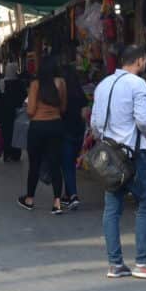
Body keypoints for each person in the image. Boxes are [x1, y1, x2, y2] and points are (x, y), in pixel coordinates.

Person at [90, 45, 146, 280]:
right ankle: (144, 262)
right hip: (133, 154)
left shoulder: (103, 85)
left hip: (109, 157)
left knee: (112, 208)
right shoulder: (137, 84)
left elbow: (95, 124)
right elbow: (143, 122)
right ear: (140, 61)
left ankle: (115, 264)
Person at [17, 56, 67, 214]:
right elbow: (63, 108)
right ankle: (57, 203)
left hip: (37, 127)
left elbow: (30, 110)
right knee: (55, 165)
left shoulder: (35, 85)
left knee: (34, 165)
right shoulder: (61, 83)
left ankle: (29, 199)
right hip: (56, 125)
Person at [60, 67, 88, 210]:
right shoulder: (80, 94)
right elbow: (84, 115)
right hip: (78, 133)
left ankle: (73, 196)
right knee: (70, 164)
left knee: (67, 165)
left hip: (65, 132)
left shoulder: (61, 95)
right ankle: (67, 194)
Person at [0, 62, 27, 162]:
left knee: (7, 134)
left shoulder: (2, 83)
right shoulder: (20, 83)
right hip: (18, 113)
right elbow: (24, 97)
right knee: (17, 133)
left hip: (5, 114)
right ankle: (16, 155)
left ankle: (7, 154)